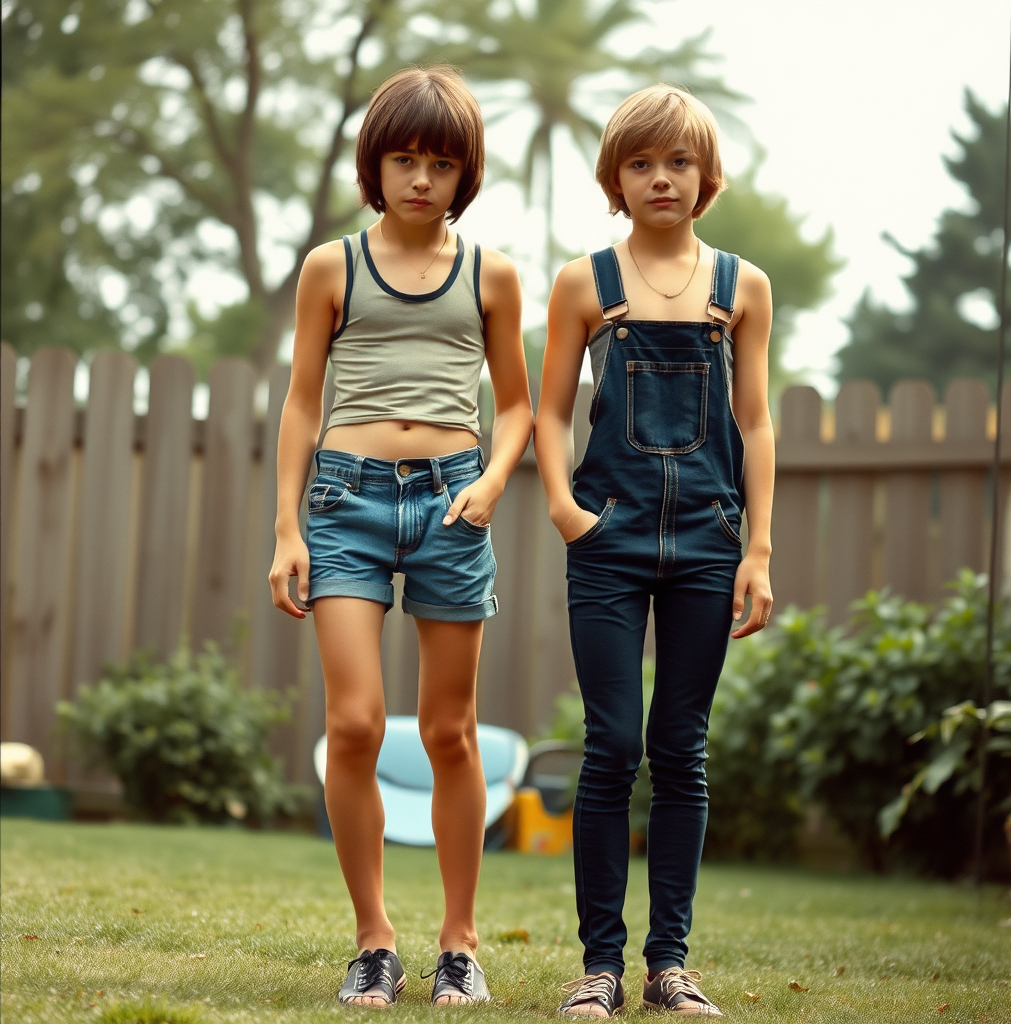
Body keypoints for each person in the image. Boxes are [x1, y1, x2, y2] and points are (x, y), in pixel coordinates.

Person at [269, 66, 533, 1008]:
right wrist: (286, 526)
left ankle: (458, 942)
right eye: (404, 158)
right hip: (344, 502)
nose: (422, 178)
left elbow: (516, 407)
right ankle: (374, 939)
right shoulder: (330, 267)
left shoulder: (491, 274)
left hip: (453, 501)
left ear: (467, 174)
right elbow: (303, 400)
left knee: (450, 731)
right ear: (374, 165)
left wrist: (495, 482)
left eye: (442, 163)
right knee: (354, 724)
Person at [534, 84, 774, 1018]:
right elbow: (549, 410)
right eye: (640, 163)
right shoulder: (584, 283)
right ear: (615, 179)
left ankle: (669, 966)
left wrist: (757, 547)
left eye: (677, 162)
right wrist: (563, 508)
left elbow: (754, 421)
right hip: (609, 537)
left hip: (710, 543)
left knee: (682, 750)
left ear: (704, 178)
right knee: (611, 747)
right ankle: (599, 967)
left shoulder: (739, 287)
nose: (660, 177)